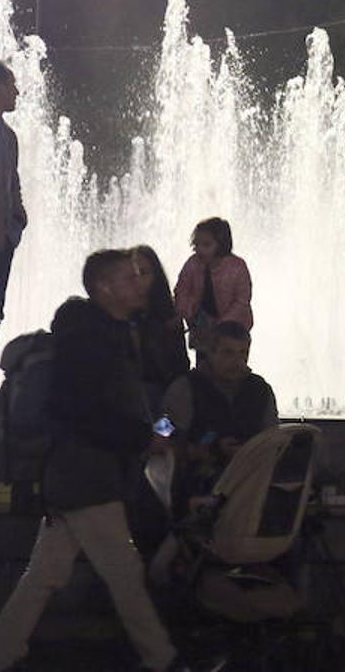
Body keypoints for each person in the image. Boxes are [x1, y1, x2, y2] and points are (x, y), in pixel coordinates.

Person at [0, 251, 193, 672]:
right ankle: (163, 660)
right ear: (105, 287)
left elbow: (136, 399)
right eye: (130, 276)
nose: (141, 281)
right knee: (125, 573)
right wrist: (142, 438)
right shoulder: (88, 337)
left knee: (44, 574)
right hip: (86, 474)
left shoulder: (118, 331)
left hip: (86, 473)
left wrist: (158, 431)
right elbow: (79, 408)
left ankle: (2, 651)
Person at [161, 320, 278, 511]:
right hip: (197, 486)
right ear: (210, 352)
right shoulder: (185, 389)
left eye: (243, 353)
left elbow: (273, 437)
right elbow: (161, 436)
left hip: (251, 484)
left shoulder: (260, 390)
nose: (237, 362)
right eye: (228, 353)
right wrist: (208, 450)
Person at [173, 216, 253, 353]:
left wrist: (221, 324)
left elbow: (241, 301)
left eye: (206, 245)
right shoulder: (192, 263)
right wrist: (190, 312)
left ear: (221, 244)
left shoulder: (237, 266)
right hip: (202, 328)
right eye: (196, 245)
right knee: (204, 365)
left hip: (234, 331)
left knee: (230, 362)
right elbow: (181, 291)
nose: (200, 250)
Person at [130, 245, 190, 412]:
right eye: (132, 275)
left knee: (169, 419)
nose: (137, 280)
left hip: (165, 397)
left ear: (156, 276)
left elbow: (179, 367)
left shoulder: (168, 316)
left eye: (144, 273)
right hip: (129, 400)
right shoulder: (118, 315)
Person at [0, 59, 27, 350]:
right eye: (12, 85)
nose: (17, 92)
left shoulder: (9, 137)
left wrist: (19, 218)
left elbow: (12, 181)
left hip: (3, 240)